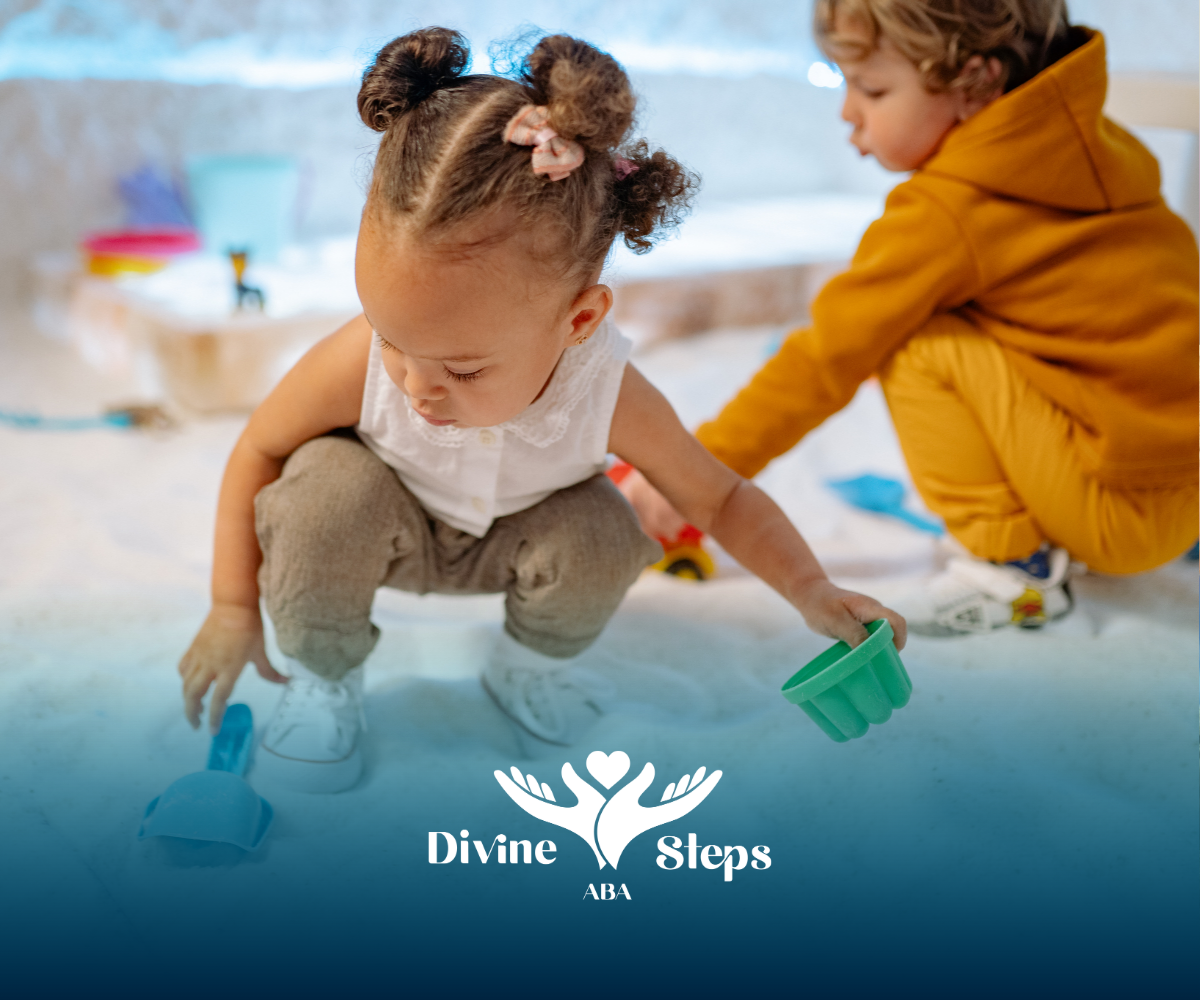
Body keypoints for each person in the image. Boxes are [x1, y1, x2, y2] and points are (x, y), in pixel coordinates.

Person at [176, 28, 907, 792]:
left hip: (514, 545)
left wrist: (812, 591)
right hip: (381, 529)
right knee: (321, 492)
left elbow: (719, 496)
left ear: (579, 321)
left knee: (604, 527)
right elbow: (257, 448)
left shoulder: (605, 387)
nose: (415, 384)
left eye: (462, 367)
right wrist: (232, 607)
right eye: (393, 340)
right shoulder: (359, 360)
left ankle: (527, 668)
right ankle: (325, 678)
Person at [621, 0, 1198, 637]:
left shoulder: (945, 213)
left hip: (1114, 516)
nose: (848, 111)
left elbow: (825, 359)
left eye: (871, 88)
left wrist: (695, 475)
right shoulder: (1106, 149)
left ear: (974, 84)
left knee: (911, 339)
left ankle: (1015, 567)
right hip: (1184, 496)